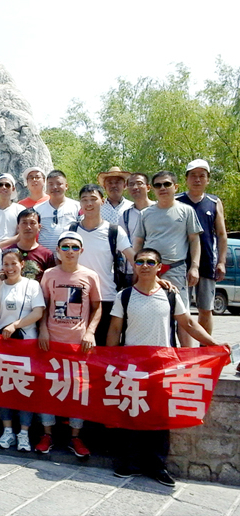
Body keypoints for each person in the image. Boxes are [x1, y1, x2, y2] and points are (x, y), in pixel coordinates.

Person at [106, 248, 225, 487]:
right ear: (135, 266)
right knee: (131, 414)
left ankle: (157, 465)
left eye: (150, 262)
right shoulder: (124, 296)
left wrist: (213, 344)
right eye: (140, 261)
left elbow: (188, 323)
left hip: (162, 366)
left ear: (159, 267)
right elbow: (115, 330)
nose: (145, 265)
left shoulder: (171, 295)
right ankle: (129, 462)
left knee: (160, 417)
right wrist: (110, 360)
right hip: (132, 367)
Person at [37, 231, 102, 457]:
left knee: (78, 390)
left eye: (74, 247)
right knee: (48, 388)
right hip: (52, 342)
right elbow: (43, 305)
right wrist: (43, 329)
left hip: (78, 344)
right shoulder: (49, 274)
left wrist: (90, 332)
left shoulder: (90, 276)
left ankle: (75, 437)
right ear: (58, 250)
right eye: (65, 247)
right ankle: (47, 434)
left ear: (81, 250)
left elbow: (97, 307)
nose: (70, 251)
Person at [132, 171, 203, 347]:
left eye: (166, 184)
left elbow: (194, 240)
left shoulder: (186, 211)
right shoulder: (145, 214)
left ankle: (186, 356)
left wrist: (194, 267)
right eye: (158, 185)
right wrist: (137, 267)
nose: (162, 188)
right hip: (149, 270)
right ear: (152, 188)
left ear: (176, 187)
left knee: (183, 316)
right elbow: (138, 242)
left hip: (176, 270)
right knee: (150, 313)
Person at [0, 249, 45, 452]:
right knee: (5, 387)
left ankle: (24, 433)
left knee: (25, 388)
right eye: (6, 264)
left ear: (22, 264)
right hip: (3, 343)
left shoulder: (32, 285)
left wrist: (15, 325)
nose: (10, 268)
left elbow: (38, 312)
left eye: (13, 264)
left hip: (26, 343)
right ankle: (7, 431)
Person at [73, 184, 134, 347]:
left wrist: (155, 279)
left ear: (103, 201)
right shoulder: (71, 230)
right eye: (84, 200)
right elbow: (61, 261)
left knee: (104, 347)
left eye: (93, 199)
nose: (89, 204)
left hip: (106, 296)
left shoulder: (114, 231)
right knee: (76, 347)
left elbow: (133, 258)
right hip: (77, 297)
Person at [177, 159, 228, 336]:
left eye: (201, 176)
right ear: (186, 179)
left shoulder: (214, 202)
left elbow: (221, 234)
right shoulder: (177, 201)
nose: (197, 179)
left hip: (207, 263)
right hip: (180, 263)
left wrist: (221, 262)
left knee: (205, 309)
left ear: (207, 179)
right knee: (181, 311)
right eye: (193, 175)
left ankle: (205, 348)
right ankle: (185, 349)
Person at [119, 173, 156, 285]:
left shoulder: (159, 211)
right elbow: (123, 244)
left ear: (148, 187)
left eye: (139, 183)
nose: (135, 187)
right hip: (132, 270)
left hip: (156, 268)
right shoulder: (125, 215)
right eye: (131, 184)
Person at [34, 170, 81, 252]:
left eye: (59, 184)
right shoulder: (37, 209)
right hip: (44, 256)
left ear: (66, 186)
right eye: (51, 184)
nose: (55, 187)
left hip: (68, 255)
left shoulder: (77, 207)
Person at [6, 208, 56, 283]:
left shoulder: (46, 254)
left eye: (32, 223)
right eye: (24, 223)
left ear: (39, 227)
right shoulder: (7, 252)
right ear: (18, 227)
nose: (28, 227)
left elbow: (50, 281)